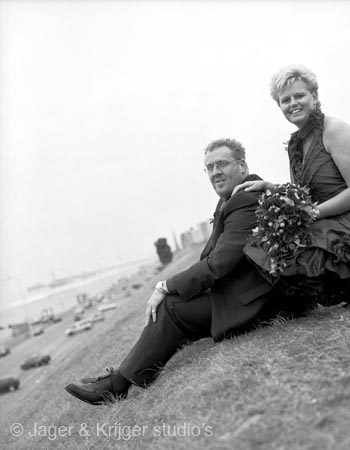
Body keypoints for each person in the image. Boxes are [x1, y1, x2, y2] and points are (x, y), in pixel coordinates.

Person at [64, 138, 302, 406]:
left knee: (171, 308)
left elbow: (219, 264)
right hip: (247, 290)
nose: (215, 173)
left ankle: (117, 385)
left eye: (222, 164)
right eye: (209, 168)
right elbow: (212, 259)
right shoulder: (232, 198)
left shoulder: (245, 200)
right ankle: (127, 371)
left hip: (258, 300)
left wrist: (165, 285)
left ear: (243, 166)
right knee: (176, 304)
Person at [234, 64, 350, 306]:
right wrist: (271, 187)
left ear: (314, 96)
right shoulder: (295, 144)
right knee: (271, 247)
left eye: (299, 95)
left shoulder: (335, 130)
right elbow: (303, 196)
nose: (293, 103)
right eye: (285, 100)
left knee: (304, 244)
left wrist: (311, 214)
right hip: (336, 220)